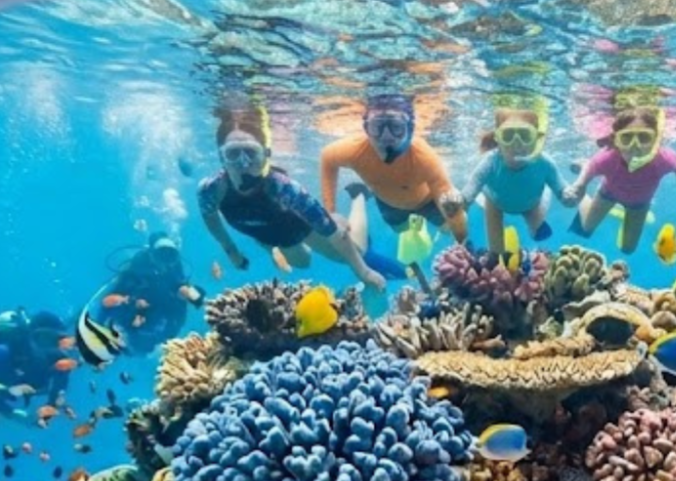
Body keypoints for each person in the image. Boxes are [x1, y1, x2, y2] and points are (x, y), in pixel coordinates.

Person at [198, 107, 386, 290]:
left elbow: (330, 231)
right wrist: (231, 250)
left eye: (251, 153)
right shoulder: (210, 190)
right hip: (268, 234)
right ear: (222, 157)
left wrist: (363, 271)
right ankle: (272, 242)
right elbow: (211, 218)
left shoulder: (284, 188)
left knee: (356, 253)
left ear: (265, 156)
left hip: (299, 228)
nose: (243, 163)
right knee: (302, 264)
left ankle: (358, 196)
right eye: (233, 154)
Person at [319, 93, 468, 263]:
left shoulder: (424, 157)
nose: (386, 137)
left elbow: (443, 190)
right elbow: (327, 158)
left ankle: (445, 215)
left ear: (410, 129)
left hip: (427, 201)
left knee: (447, 226)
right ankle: (418, 225)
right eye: (377, 127)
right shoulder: (353, 150)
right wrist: (331, 213)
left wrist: (461, 241)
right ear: (366, 128)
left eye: (396, 127)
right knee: (400, 230)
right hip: (389, 203)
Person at [564, 106, 676, 254]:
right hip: (608, 193)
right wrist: (580, 185)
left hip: (639, 204)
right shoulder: (609, 157)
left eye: (644, 138)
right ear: (616, 140)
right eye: (626, 138)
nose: (635, 147)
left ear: (655, 140)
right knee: (586, 228)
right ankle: (584, 194)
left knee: (628, 249)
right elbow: (592, 166)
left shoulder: (661, 159)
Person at [458, 100, 579, 254]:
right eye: (508, 135)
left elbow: (561, 187)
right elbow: (473, 185)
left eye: (525, 135)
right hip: (495, 203)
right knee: (495, 251)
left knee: (539, 232)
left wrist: (567, 196)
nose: (516, 144)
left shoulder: (544, 162)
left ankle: (538, 211)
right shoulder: (491, 161)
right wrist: (463, 201)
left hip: (531, 203)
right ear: (497, 137)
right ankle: (496, 255)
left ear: (537, 138)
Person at [93, 233, 202, 355]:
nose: (165, 263)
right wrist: (132, 301)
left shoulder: (175, 266)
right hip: (135, 308)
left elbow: (183, 289)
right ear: (151, 254)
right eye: (161, 255)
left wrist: (196, 295)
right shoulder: (138, 266)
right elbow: (108, 301)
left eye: (170, 256)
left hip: (160, 310)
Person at [0, 309, 72, 419]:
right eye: (51, 340)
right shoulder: (5, 352)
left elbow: (58, 390)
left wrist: (52, 406)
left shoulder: (59, 361)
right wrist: (11, 411)